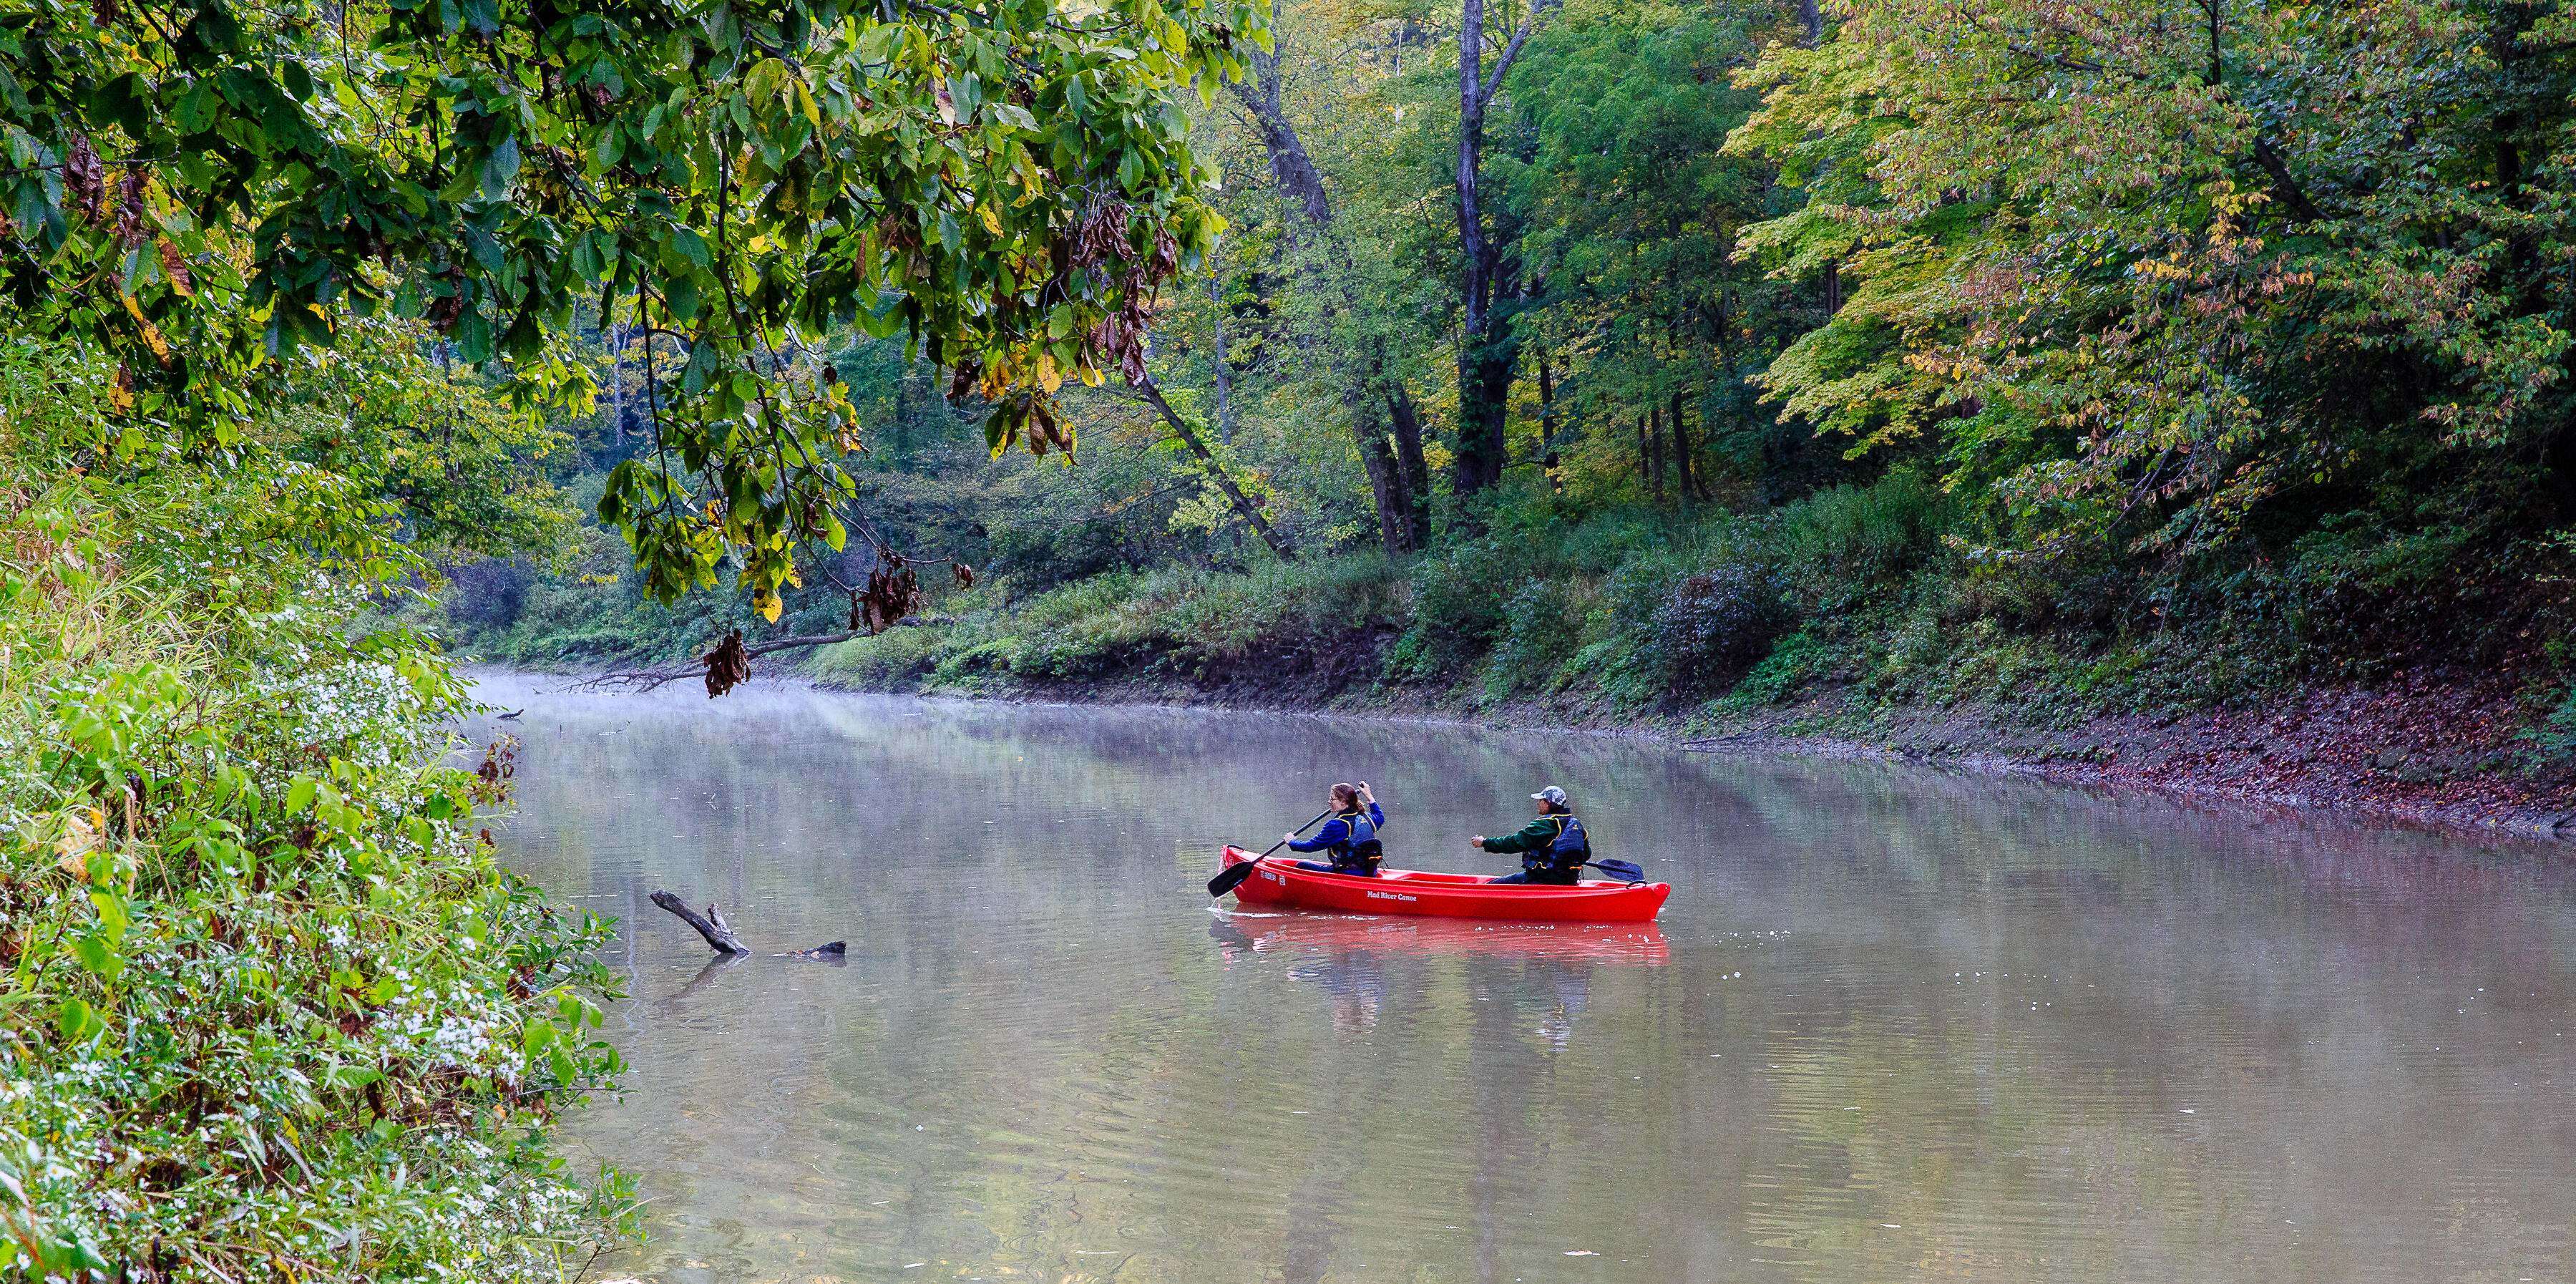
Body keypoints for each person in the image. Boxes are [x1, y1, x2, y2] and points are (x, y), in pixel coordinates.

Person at [1473, 785, 1589, 885]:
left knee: (1491, 886)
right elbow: (1587, 853)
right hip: (1569, 881)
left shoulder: (1546, 824)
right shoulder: (1576, 824)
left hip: (1542, 880)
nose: (1538, 804)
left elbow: (1515, 842)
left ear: (1548, 803)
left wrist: (1485, 842)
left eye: (1541, 801)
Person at [1283, 782, 1386, 877]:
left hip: (1348, 874)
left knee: (1301, 865)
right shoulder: (1367, 818)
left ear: (1343, 802)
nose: (1329, 801)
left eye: (1332, 799)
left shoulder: (1337, 824)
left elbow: (1311, 846)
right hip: (1370, 872)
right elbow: (1380, 817)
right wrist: (1369, 796)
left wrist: (1292, 842)